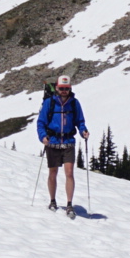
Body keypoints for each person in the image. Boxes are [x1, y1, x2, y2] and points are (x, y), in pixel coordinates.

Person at [38, 74, 88, 213]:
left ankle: (69, 203)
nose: (64, 90)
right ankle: (52, 201)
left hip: (68, 142)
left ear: (70, 88)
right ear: (56, 88)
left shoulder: (74, 103)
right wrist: (42, 137)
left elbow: (80, 121)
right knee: (53, 172)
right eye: (61, 88)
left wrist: (83, 131)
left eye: (66, 88)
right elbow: (41, 122)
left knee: (69, 173)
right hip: (52, 141)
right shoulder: (49, 103)